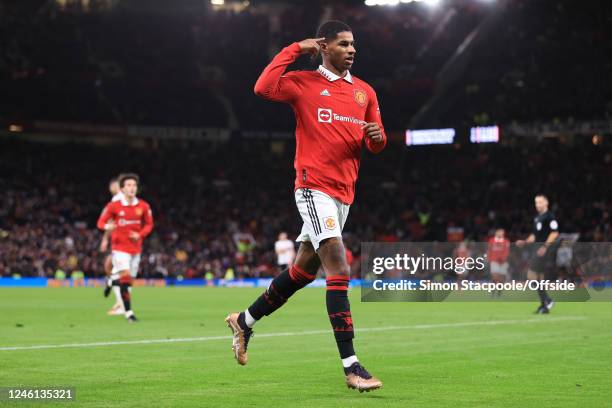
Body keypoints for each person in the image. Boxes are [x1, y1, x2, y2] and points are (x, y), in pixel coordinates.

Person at [225, 20, 386, 392]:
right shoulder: (303, 82)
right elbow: (262, 87)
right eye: (344, 44)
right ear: (325, 47)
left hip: (344, 192)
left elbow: (376, 142)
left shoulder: (365, 93)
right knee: (339, 268)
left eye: (353, 44)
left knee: (302, 272)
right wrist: (296, 48)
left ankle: (244, 321)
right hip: (313, 187)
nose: (352, 49)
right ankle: (351, 366)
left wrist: (378, 139)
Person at [97, 173, 154, 322]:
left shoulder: (143, 206)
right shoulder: (114, 206)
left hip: (135, 249)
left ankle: (112, 281)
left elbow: (149, 225)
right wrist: (107, 226)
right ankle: (129, 313)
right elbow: (100, 223)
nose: (132, 188)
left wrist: (140, 234)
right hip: (119, 249)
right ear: (122, 189)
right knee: (126, 276)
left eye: (134, 185)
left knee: (128, 282)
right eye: (128, 185)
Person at [517, 195, 560, 314]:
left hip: (544, 249)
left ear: (546, 203)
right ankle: (544, 305)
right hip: (537, 248)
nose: (537, 205)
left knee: (531, 275)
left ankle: (547, 300)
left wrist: (545, 246)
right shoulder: (537, 218)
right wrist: (525, 241)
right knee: (537, 277)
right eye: (536, 203)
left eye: (540, 202)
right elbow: (534, 235)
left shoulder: (549, 217)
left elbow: (554, 233)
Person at [101, 176, 126, 315]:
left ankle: (121, 304)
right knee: (111, 267)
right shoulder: (120, 199)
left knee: (116, 271)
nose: (111, 186)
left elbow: (110, 221)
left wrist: (105, 238)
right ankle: (119, 302)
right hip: (121, 239)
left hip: (121, 240)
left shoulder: (118, 199)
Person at [487, 228, 510, 297]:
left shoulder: (506, 241)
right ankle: (492, 293)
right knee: (495, 277)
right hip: (494, 261)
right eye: (500, 232)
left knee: (501, 279)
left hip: (503, 262)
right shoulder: (491, 240)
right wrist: (489, 259)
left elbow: (507, 251)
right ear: (496, 233)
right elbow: (489, 250)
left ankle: (499, 294)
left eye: (502, 233)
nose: (501, 234)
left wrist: (504, 258)